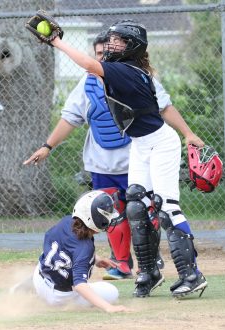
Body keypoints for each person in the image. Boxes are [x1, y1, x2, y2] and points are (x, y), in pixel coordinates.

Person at [42, 19, 207, 298]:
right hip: (140, 146)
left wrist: (56, 42)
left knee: (167, 208)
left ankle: (192, 274)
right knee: (136, 206)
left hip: (161, 144)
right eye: (112, 40)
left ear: (133, 48)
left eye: (119, 41)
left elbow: (88, 65)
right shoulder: (125, 69)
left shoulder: (126, 71)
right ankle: (149, 271)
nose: (112, 44)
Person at [29, 190, 129, 313]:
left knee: (53, 252)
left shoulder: (66, 221)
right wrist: (109, 307)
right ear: (96, 220)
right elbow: (80, 285)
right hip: (58, 297)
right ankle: (49, 299)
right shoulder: (85, 247)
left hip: (38, 278)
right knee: (112, 292)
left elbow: (69, 247)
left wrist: (95, 259)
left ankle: (32, 287)